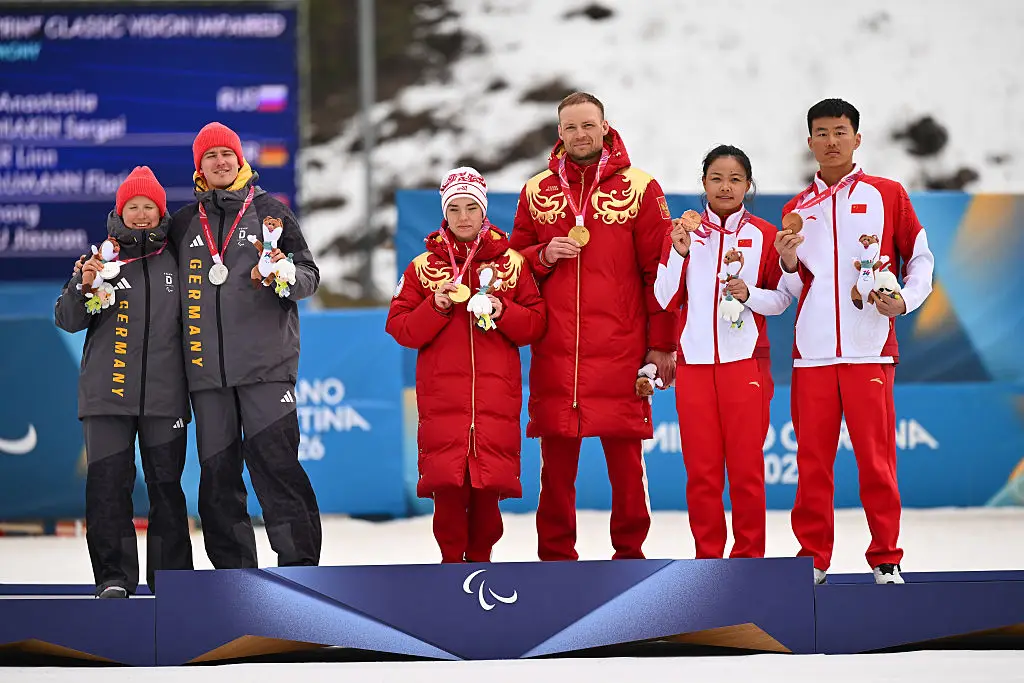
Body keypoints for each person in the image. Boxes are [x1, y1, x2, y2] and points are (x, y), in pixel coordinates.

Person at [509, 92, 679, 561]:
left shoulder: (641, 188)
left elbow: (660, 275)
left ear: (606, 127)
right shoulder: (536, 190)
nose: (579, 134)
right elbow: (511, 265)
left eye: (588, 125)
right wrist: (543, 254)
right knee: (555, 469)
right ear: (559, 133)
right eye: (570, 127)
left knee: (626, 466)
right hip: (556, 351)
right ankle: (555, 559)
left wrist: (661, 345)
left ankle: (630, 555)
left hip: (623, 351)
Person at [776, 98, 934, 585]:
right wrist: (785, 263)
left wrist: (904, 301)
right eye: (820, 133)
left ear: (857, 138)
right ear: (810, 143)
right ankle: (813, 560)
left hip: (870, 349)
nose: (831, 141)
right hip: (814, 355)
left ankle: (886, 557)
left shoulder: (887, 194)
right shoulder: (796, 209)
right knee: (812, 465)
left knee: (877, 461)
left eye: (840, 131)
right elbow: (799, 285)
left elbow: (921, 259)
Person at [167, 122, 322, 568]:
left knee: (277, 471)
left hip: (265, 369)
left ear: (240, 160)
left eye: (226, 155)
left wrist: (286, 276)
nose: (220, 162)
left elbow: (309, 275)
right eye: (210, 156)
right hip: (206, 376)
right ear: (199, 166)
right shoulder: (181, 224)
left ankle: (301, 575)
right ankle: (233, 580)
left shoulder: (269, 210)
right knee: (217, 479)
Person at [386, 167, 546, 562]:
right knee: (449, 505)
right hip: (445, 405)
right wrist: (435, 306)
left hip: (495, 403)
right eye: (454, 208)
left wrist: (501, 308)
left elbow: (536, 323)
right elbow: (401, 327)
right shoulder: (423, 267)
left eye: (471, 207)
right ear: (444, 213)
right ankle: (449, 575)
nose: (463, 217)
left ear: (484, 211)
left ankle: (481, 572)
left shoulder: (511, 264)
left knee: (488, 512)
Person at [55, 166, 193, 597]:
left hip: (165, 398)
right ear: (120, 211)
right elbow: (67, 319)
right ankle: (114, 579)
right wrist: (83, 285)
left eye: (148, 206)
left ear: (160, 211)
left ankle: (172, 584)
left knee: (166, 491)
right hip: (107, 397)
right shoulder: (99, 259)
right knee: (108, 489)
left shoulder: (177, 256)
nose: (140, 214)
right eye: (132, 206)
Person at [654, 145, 791, 559]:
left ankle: (750, 558)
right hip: (694, 367)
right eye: (717, 178)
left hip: (744, 365)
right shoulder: (683, 233)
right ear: (703, 184)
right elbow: (663, 297)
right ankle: (708, 559)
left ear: (749, 185)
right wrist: (678, 254)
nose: (726, 186)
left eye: (735, 179)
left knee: (747, 470)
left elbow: (782, 300)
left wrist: (750, 294)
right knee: (701, 473)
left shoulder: (764, 235)